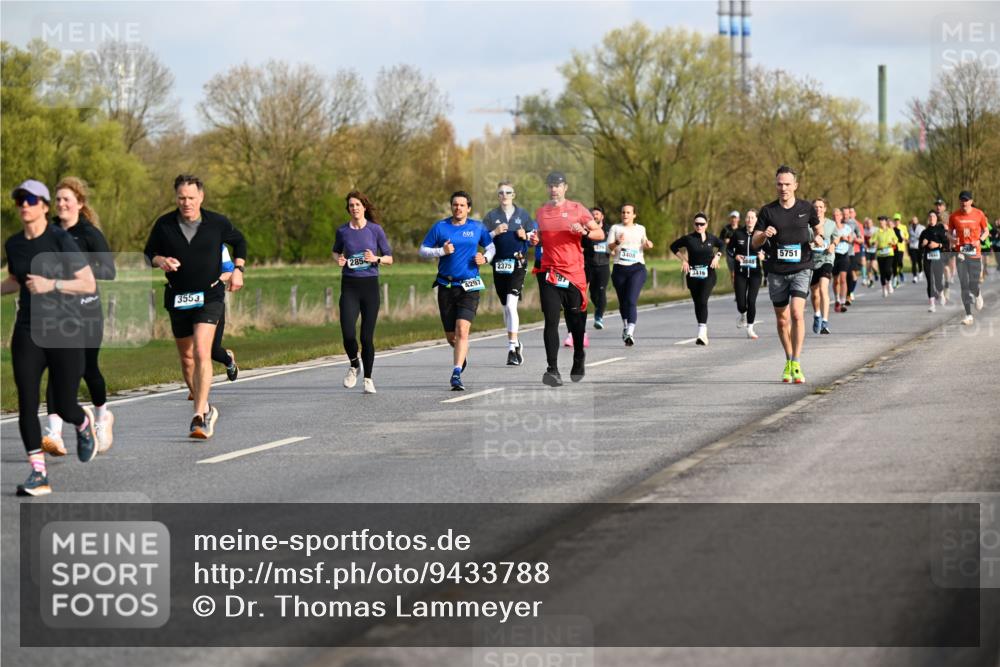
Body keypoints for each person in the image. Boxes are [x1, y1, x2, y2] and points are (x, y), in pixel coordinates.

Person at [2, 180, 99, 496]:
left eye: (30, 200)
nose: (24, 205)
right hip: (29, 331)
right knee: (27, 403)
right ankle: (38, 474)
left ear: (44, 205)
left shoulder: (60, 240)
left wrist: (52, 285)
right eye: (20, 200)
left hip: (66, 331)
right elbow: (16, 279)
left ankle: (83, 424)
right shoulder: (14, 244)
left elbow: (87, 284)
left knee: (66, 405)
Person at [144, 174, 246, 439]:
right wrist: (161, 260)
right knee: (187, 358)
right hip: (178, 297)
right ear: (176, 198)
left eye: (191, 197)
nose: (186, 202)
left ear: (201, 197)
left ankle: (198, 415)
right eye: (181, 198)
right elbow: (148, 253)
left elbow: (240, 241)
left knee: (202, 350)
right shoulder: (165, 224)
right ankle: (207, 408)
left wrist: (238, 270)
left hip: (210, 294)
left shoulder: (217, 223)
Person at [40, 177, 116, 456]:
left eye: (66, 200)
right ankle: (54, 434)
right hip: (56, 313)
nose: (61, 204)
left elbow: (109, 271)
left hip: (87, 311)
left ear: (79, 204)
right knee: (55, 370)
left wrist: (78, 275)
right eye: (57, 200)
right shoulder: (47, 232)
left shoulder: (89, 234)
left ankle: (102, 418)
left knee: (88, 369)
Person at [750, 165, 822, 384]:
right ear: (776, 185)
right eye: (780, 184)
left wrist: (818, 238)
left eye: (788, 184)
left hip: (802, 266)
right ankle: (788, 359)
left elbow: (817, 228)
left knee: (797, 314)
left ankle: (797, 362)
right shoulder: (768, 211)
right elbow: (754, 242)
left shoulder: (806, 208)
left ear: (795, 186)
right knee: (782, 320)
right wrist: (764, 234)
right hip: (776, 270)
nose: (783, 188)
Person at [531, 171, 602, 387]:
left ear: (565, 188)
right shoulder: (542, 212)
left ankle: (579, 356)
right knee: (551, 320)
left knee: (576, 321)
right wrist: (536, 239)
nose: (554, 189)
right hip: (550, 273)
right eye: (551, 185)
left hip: (573, 273)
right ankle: (552, 369)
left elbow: (599, 234)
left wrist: (584, 232)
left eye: (558, 185)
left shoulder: (577, 209)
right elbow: (541, 237)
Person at [419, 191, 494, 390]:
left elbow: (491, 247)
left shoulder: (477, 227)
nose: (458, 208)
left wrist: (485, 258)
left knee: (463, 330)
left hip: (469, 286)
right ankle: (461, 357)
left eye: (462, 205)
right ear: (451, 207)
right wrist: (441, 251)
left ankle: (456, 373)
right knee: (452, 337)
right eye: (455, 205)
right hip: (446, 287)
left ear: (468, 208)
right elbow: (423, 250)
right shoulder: (440, 227)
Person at [333, 191, 393, 394]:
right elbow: (336, 251)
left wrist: (375, 259)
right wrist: (339, 259)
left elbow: (389, 258)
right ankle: (353, 364)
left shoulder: (375, 230)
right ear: (348, 209)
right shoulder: (343, 231)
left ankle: (368, 378)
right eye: (351, 205)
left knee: (366, 338)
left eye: (357, 204)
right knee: (348, 333)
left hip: (369, 286)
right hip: (349, 286)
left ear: (364, 207)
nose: (355, 208)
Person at [482, 181, 533, 365]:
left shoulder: (523, 215)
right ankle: (516, 341)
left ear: (514, 195)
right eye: (501, 193)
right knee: (505, 307)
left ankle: (512, 348)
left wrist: (525, 236)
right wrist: (494, 233)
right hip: (499, 265)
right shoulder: (491, 216)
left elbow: (536, 238)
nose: (505, 195)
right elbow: (481, 240)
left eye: (508, 192)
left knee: (512, 305)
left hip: (518, 263)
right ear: (498, 196)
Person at [670, 213, 724, 345]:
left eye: (702, 224)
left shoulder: (711, 238)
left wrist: (717, 256)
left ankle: (701, 332)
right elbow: (673, 246)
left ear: (707, 224)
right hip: (693, 275)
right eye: (696, 224)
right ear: (693, 224)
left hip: (708, 274)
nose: (699, 226)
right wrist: (684, 260)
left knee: (702, 300)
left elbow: (722, 245)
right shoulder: (689, 238)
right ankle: (702, 331)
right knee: (697, 302)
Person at [607, 202, 653, 346]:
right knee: (623, 302)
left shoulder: (640, 229)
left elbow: (645, 243)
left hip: (637, 268)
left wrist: (648, 245)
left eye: (628, 212)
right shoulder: (615, 228)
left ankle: (630, 332)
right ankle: (626, 326)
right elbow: (609, 249)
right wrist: (616, 242)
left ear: (634, 215)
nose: (625, 215)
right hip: (620, 268)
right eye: (623, 212)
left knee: (631, 300)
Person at [947, 191, 989, 325]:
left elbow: (986, 230)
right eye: (961, 200)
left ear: (971, 201)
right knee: (964, 284)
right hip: (961, 254)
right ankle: (968, 315)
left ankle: (977, 294)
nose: (964, 203)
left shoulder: (979, 214)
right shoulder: (954, 216)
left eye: (966, 200)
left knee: (973, 284)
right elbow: (949, 233)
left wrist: (980, 240)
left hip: (975, 254)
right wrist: (953, 240)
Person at [727, 208, 764, 339]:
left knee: (751, 301)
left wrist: (763, 255)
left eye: (752, 217)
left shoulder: (760, 235)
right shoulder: (738, 234)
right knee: (741, 303)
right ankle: (743, 314)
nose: (749, 220)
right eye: (748, 217)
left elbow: (769, 251)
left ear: (756, 220)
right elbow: (729, 249)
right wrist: (736, 255)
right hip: (741, 273)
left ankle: (750, 329)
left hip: (755, 274)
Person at [583, 205, 611, 331]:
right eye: (592, 215)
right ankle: (598, 307)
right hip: (588, 264)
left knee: (601, 290)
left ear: (602, 216)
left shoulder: (609, 230)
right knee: (593, 294)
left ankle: (599, 316)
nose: (594, 216)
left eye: (597, 214)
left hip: (603, 265)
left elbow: (614, 244)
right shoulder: (586, 231)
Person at [808, 199, 835, 332]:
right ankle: (817, 314)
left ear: (824, 209)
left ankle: (825, 323)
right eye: (815, 207)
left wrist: (833, 245)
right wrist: (811, 243)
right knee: (814, 293)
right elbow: (803, 239)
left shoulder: (831, 224)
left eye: (820, 207)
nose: (818, 209)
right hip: (812, 261)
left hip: (826, 259)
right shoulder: (807, 224)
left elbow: (836, 237)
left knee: (824, 289)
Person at [828, 208, 854, 327]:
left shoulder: (847, 227)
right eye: (834, 215)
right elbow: (827, 240)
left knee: (843, 278)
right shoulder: (830, 227)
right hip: (834, 255)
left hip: (844, 255)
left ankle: (843, 302)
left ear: (841, 216)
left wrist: (846, 239)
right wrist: (836, 240)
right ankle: (837, 299)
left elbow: (851, 239)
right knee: (836, 280)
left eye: (838, 214)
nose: (836, 216)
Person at [919, 210, 948, 312]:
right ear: (928, 219)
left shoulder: (940, 230)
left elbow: (946, 245)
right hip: (927, 259)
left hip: (938, 258)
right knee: (930, 281)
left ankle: (941, 293)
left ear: (936, 219)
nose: (931, 219)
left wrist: (937, 245)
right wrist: (923, 244)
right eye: (930, 217)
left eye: (933, 217)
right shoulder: (924, 232)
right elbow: (919, 247)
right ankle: (932, 305)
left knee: (938, 282)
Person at [872, 216, 898, 298]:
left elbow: (896, 239)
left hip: (889, 253)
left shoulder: (890, 231)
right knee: (882, 272)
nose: (881, 223)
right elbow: (871, 240)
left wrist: (893, 242)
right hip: (880, 253)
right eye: (880, 221)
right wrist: (873, 242)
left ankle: (889, 282)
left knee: (888, 269)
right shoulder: (877, 232)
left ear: (886, 222)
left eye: (882, 221)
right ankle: (883, 288)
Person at [935, 198, 955, 300]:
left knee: (946, 270)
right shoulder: (933, 217)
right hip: (936, 250)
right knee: (938, 272)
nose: (938, 207)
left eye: (940, 205)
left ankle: (946, 287)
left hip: (947, 249)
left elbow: (955, 233)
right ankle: (940, 290)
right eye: (937, 205)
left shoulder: (951, 218)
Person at [719, 210, 741, 283]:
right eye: (732, 218)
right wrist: (724, 241)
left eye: (735, 218)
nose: (733, 219)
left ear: (738, 219)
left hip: (740, 252)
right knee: (733, 272)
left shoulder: (742, 229)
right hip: (730, 253)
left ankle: (742, 285)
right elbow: (719, 241)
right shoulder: (725, 229)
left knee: (741, 271)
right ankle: (735, 288)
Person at [891, 214, 908, 288]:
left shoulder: (903, 227)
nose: (896, 221)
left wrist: (904, 237)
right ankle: (896, 277)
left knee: (900, 261)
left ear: (900, 220)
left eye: (897, 220)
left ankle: (900, 272)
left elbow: (906, 236)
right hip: (894, 248)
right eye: (895, 220)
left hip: (901, 247)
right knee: (894, 263)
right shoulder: (892, 228)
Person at [907, 215, 925, 283]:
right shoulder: (910, 228)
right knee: (913, 262)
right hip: (912, 247)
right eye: (913, 220)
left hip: (919, 247)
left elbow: (924, 236)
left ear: (917, 221)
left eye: (915, 220)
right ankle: (914, 277)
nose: (914, 221)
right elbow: (908, 237)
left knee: (919, 261)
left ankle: (920, 272)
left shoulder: (922, 227)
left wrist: (921, 238)